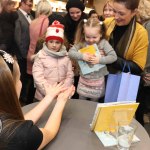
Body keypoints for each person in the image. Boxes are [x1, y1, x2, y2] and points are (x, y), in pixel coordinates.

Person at [0, 49, 75, 149]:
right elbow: (49, 132)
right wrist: (61, 101)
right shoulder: (21, 136)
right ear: (8, 90)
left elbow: (16, 125)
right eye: (18, 79)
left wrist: (49, 97)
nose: (21, 84)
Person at [104, 0, 149, 125]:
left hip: (123, 84)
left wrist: (110, 58)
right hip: (102, 79)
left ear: (134, 12)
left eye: (121, 13)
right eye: (114, 11)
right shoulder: (108, 23)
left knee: (115, 122)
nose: (116, 17)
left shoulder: (140, 33)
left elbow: (137, 67)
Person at [69, 18, 117, 101]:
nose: (91, 40)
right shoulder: (82, 43)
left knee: (94, 103)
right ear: (84, 33)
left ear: (101, 34)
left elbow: (113, 57)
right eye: (88, 37)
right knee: (81, 100)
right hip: (84, 80)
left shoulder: (104, 43)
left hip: (97, 81)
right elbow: (70, 52)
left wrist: (100, 60)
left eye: (94, 37)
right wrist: (82, 56)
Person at [32, 20, 74, 101]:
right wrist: (50, 93)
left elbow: (69, 75)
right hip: (44, 96)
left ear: (62, 43)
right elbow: (38, 78)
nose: (54, 45)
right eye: (51, 42)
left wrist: (63, 91)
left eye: (57, 42)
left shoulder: (66, 56)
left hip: (61, 95)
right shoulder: (41, 56)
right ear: (46, 42)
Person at [26, 0, 52, 104]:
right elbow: (43, 42)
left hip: (31, 52)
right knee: (39, 82)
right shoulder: (46, 21)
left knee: (33, 80)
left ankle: (28, 104)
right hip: (40, 54)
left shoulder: (33, 21)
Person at [64, 0, 87, 99]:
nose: (75, 15)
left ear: (82, 11)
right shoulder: (65, 21)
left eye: (78, 12)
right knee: (70, 74)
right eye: (72, 13)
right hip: (69, 53)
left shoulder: (86, 21)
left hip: (83, 52)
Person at [15, 0, 34, 103]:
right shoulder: (17, 15)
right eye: (29, 5)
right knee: (21, 77)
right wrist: (23, 53)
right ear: (22, 3)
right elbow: (17, 38)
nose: (31, 7)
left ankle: (23, 96)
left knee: (26, 78)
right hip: (21, 54)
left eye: (32, 5)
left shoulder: (30, 16)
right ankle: (19, 98)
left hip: (28, 53)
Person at [136, 0, 150, 126]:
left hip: (145, 72)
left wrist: (144, 71)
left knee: (141, 105)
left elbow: (147, 53)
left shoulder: (147, 27)